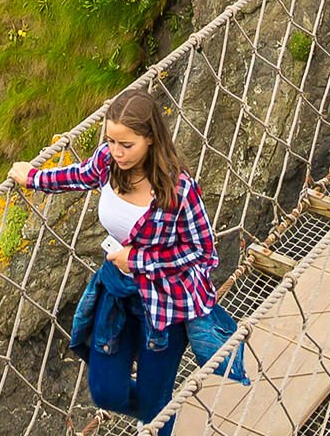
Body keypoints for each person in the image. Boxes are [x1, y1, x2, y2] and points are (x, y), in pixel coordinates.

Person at [14, 87, 234, 418]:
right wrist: (33, 178)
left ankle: (156, 414)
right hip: (117, 291)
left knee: (152, 402)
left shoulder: (179, 189)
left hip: (164, 303)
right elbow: (79, 176)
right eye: (112, 141)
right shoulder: (107, 161)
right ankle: (157, 411)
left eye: (126, 144)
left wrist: (139, 260)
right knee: (106, 392)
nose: (116, 151)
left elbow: (203, 252)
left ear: (150, 139)